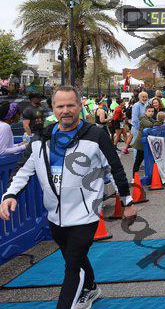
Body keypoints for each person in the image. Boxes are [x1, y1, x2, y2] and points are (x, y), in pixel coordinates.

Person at [0, 86, 136, 309]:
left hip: (85, 215)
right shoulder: (40, 138)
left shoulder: (96, 135)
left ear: (80, 106)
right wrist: (10, 194)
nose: (66, 110)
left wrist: (127, 201)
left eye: (71, 105)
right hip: (55, 216)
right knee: (76, 258)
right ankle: (91, 288)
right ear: (53, 108)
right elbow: (23, 170)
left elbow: (114, 168)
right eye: (60, 106)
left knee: (73, 267)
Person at [132, 106, 156, 176]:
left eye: (152, 111)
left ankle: (151, 175)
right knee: (138, 160)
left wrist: (158, 122)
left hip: (147, 142)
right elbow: (150, 124)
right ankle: (134, 177)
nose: (151, 113)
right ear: (145, 112)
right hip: (141, 144)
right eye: (149, 111)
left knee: (150, 160)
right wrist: (158, 122)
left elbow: (156, 123)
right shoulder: (143, 118)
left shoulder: (150, 118)